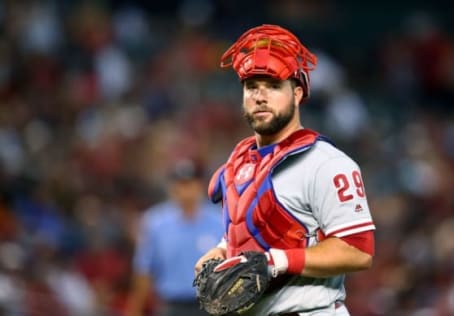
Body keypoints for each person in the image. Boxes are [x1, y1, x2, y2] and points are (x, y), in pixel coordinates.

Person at [194, 24, 376, 315]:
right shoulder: (239, 161)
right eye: (252, 87)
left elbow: (357, 251)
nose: (260, 96)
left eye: (274, 85)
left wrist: (276, 261)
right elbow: (246, 233)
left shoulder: (326, 163)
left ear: (298, 93)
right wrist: (221, 251)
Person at [125, 158, 224, 316]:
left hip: (212, 304)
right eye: (180, 184)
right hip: (171, 305)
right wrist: (135, 309)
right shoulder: (155, 222)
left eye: (190, 184)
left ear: (200, 185)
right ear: (172, 187)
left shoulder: (219, 220)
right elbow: (144, 270)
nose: (185, 191)